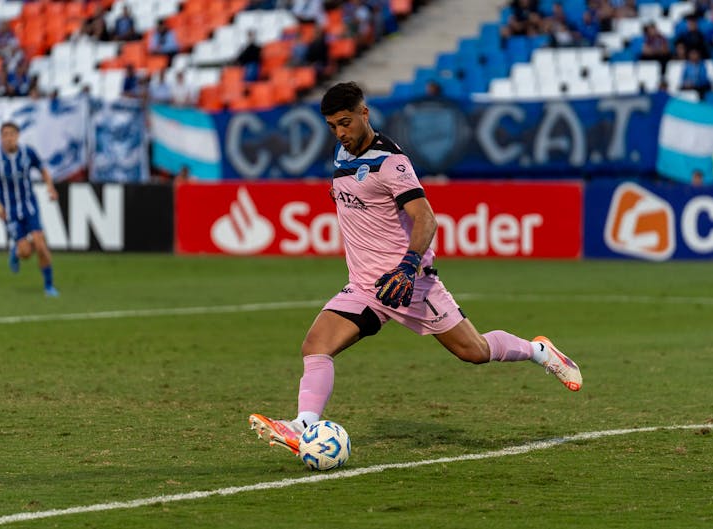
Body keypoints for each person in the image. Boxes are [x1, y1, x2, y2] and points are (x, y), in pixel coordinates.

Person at [248, 82, 582, 455]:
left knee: (473, 351)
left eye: (345, 122)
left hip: (408, 285)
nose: (341, 133)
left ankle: (539, 351)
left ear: (364, 114)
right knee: (315, 345)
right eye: (332, 126)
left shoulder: (392, 162)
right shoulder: (341, 156)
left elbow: (426, 220)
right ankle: (303, 426)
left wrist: (408, 267)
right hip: (364, 287)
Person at [0, 122, 60, 297]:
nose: (8, 138)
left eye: (12, 134)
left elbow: (43, 169)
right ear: (1, 138)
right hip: (10, 212)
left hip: (29, 206)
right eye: (5, 135)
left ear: (18, 135)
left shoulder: (27, 153)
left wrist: (50, 188)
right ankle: (16, 252)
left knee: (40, 244)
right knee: (26, 252)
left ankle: (49, 286)